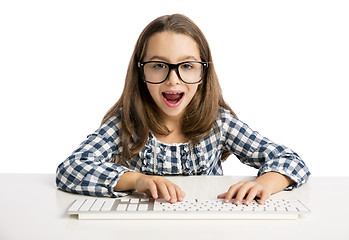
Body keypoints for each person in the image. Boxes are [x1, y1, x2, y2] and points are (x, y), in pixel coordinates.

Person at [56, 14, 310, 206]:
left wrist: (264, 183)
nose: (173, 80)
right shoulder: (125, 124)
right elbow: (71, 168)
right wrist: (136, 180)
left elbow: (291, 161)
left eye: (187, 66)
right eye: (158, 65)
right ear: (141, 71)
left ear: (203, 72)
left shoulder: (219, 123)